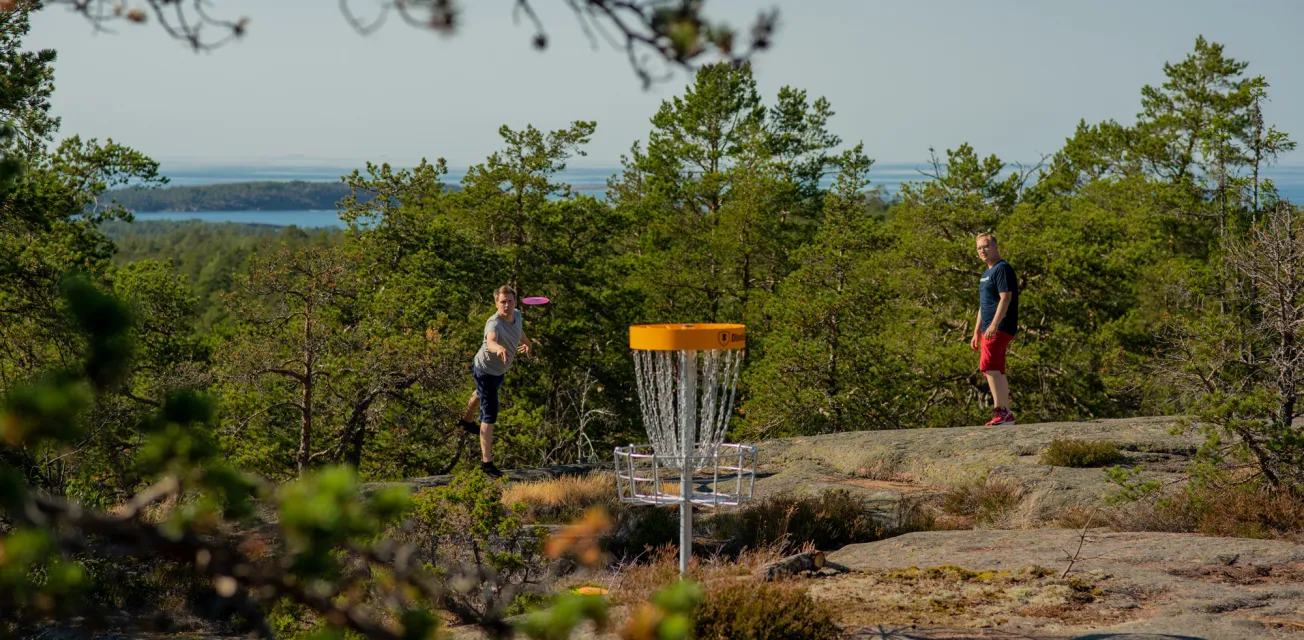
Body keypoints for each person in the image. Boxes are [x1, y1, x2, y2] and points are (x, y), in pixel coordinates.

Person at [457, 285, 532, 478]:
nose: (506, 305)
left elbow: (519, 330)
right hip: (485, 370)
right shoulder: (494, 323)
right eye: (502, 302)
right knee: (489, 416)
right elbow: (490, 341)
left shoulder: (517, 314)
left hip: (497, 372)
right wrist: (498, 348)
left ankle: (466, 420)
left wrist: (527, 343)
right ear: (496, 303)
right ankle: (487, 463)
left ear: (515, 302)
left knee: (481, 393)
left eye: (510, 301)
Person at [970, 232, 1019, 426]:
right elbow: (984, 304)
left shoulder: (1002, 268)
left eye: (986, 246)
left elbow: (1005, 298)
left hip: (999, 326)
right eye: (979, 248)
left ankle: (1002, 412)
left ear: (996, 246)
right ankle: (1006, 413)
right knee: (996, 368)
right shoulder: (986, 274)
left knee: (989, 366)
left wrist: (993, 325)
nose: (982, 250)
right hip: (988, 328)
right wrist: (976, 330)